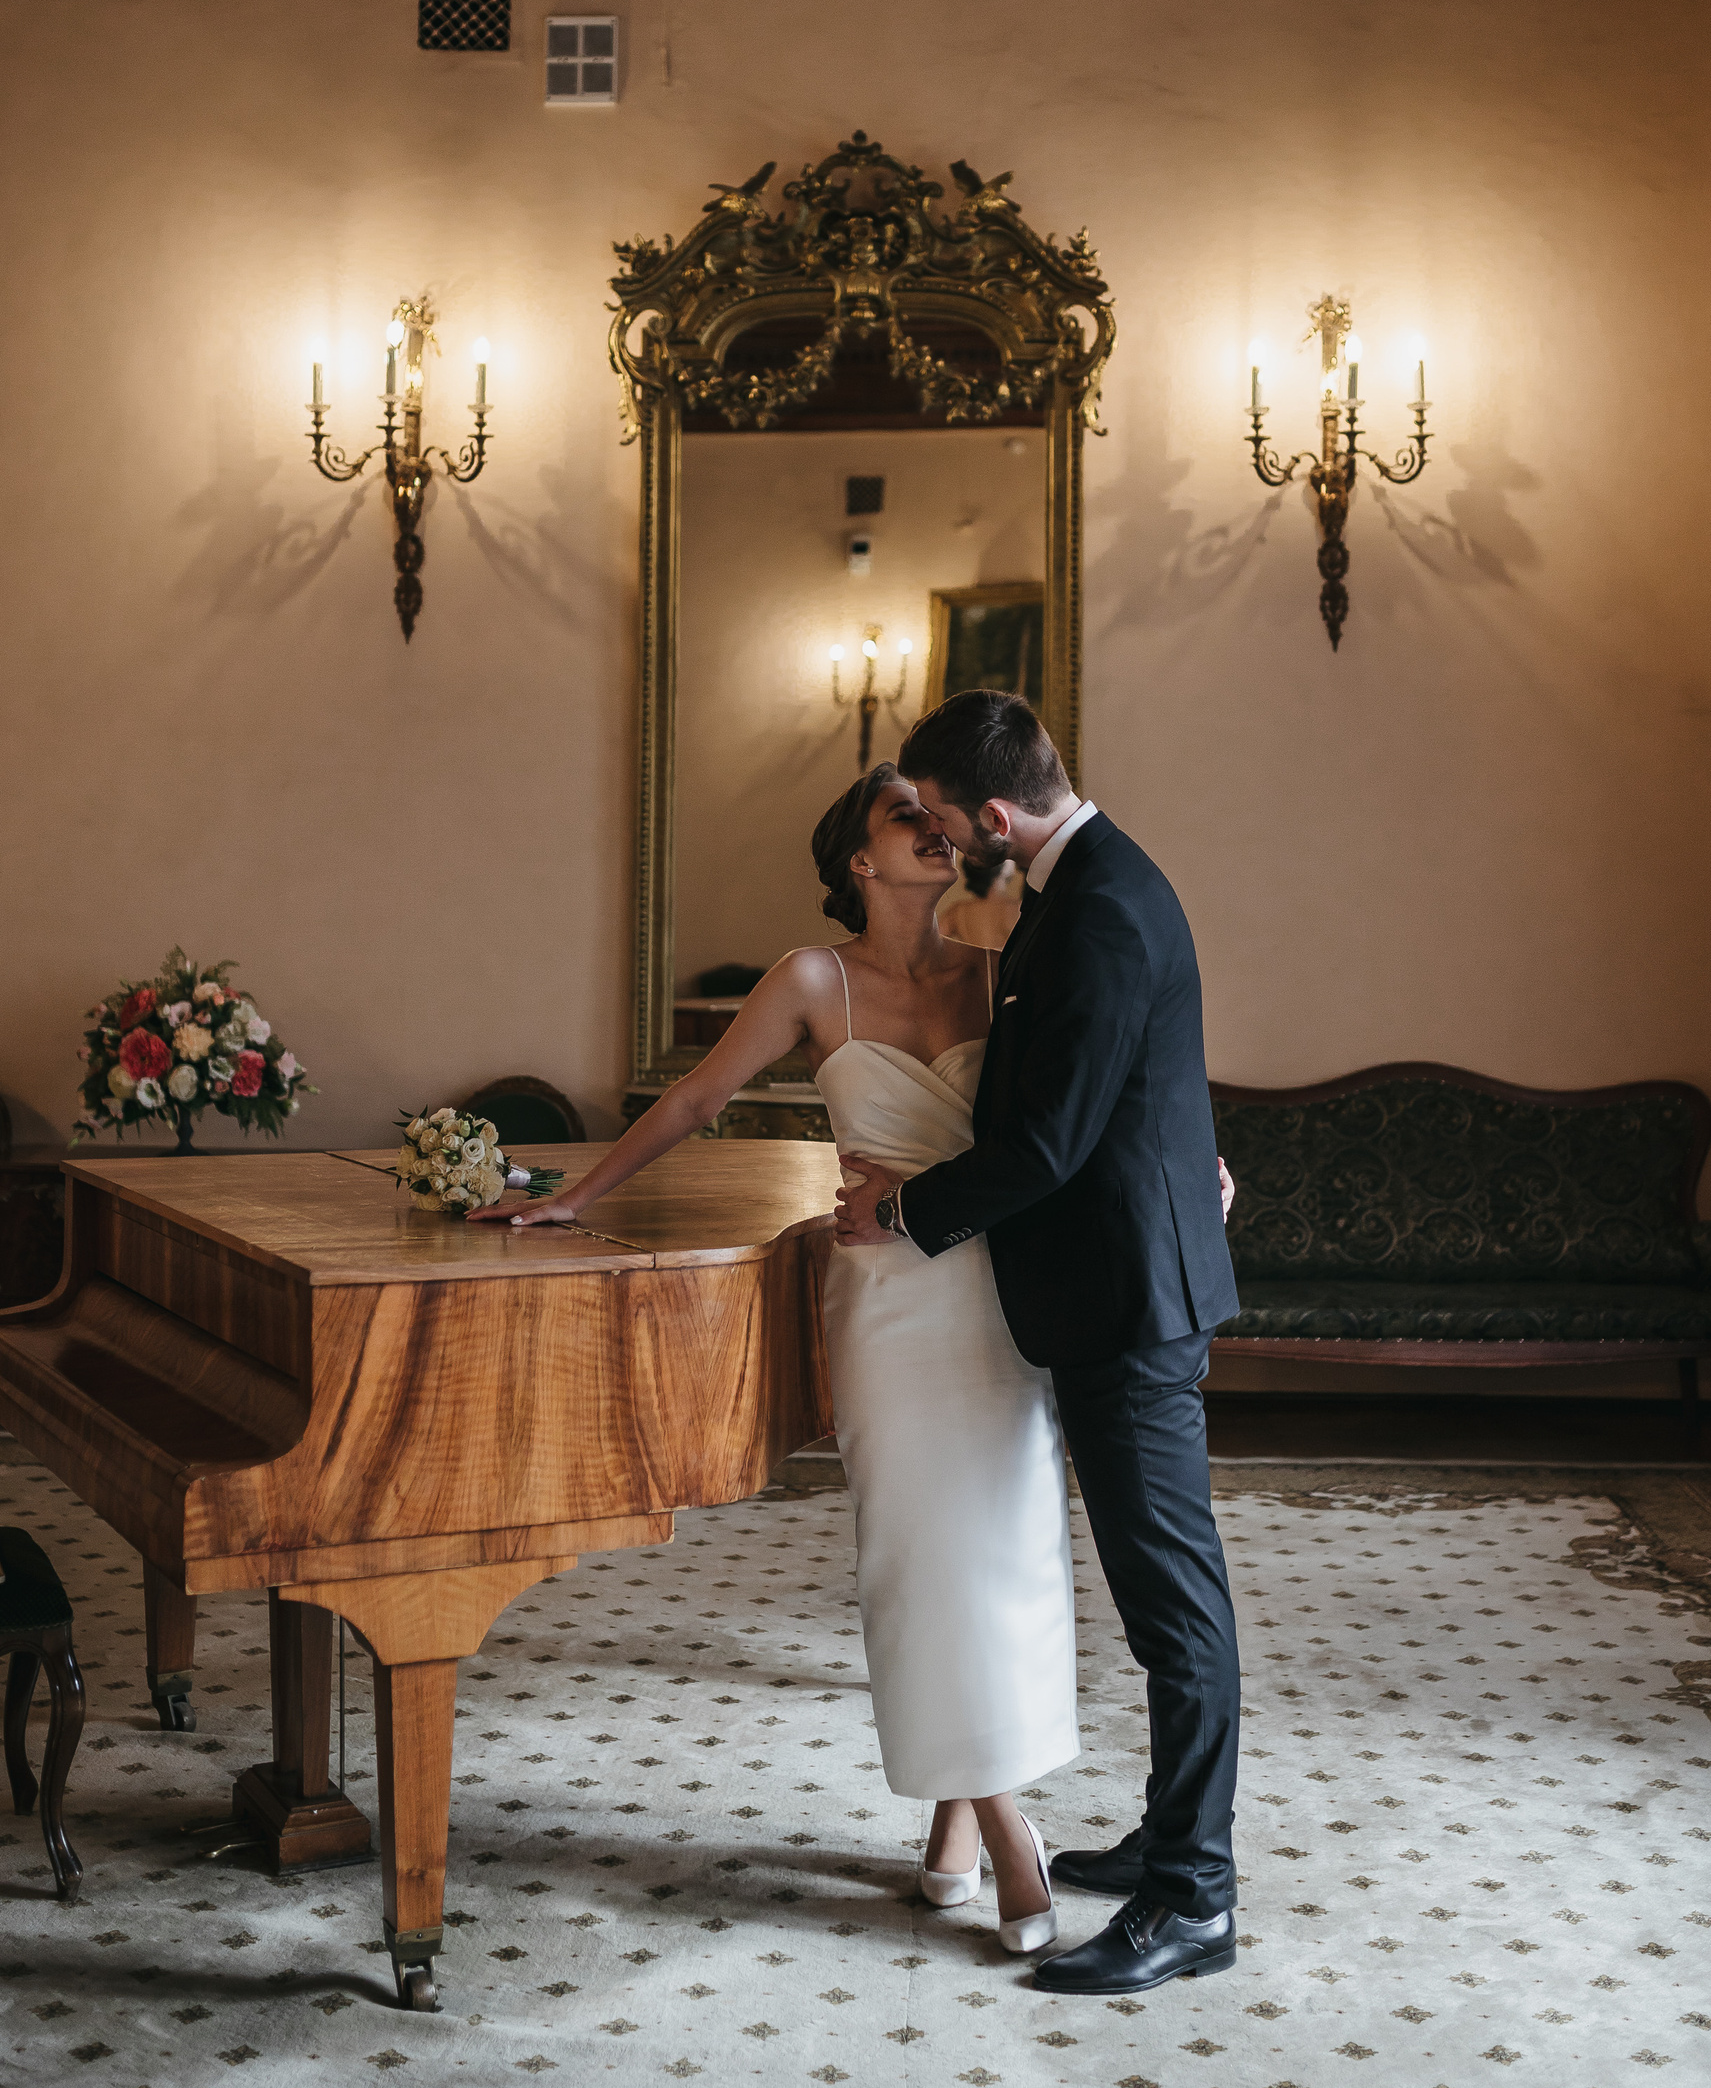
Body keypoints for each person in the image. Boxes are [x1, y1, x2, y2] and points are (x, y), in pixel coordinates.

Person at [473, 762, 1076, 1950]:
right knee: (921, 1556)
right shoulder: (812, 980)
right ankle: (1012, 1830)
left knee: (1007, 1552)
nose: (932, 828)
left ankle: (958, 1819)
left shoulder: (998, 966)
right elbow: (696, 1101)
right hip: (886, 1302)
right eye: (903, 816)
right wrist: (574, 1196)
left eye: (936, 814)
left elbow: (1064, 1116)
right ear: (858, 859)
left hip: (996, 1291)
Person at [836, 688, 1243, 1998]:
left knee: (1174, 1613)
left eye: (947, 821)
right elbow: (1124, 1083)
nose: (944, 842)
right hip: (1109, 1285)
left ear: (999, 815)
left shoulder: (1103, 906)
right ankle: (1167, 1844)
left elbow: (1052, 1141)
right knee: (1157, 1601)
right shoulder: (1083, 890)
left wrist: (903, 1208)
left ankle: (1195, 1899)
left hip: (1130, 1305)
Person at [937, 849, 1023, 952]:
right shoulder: (1019, 908)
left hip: (972, 962)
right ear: (1004, 868)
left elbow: (930, 942)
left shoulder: (958, 911)